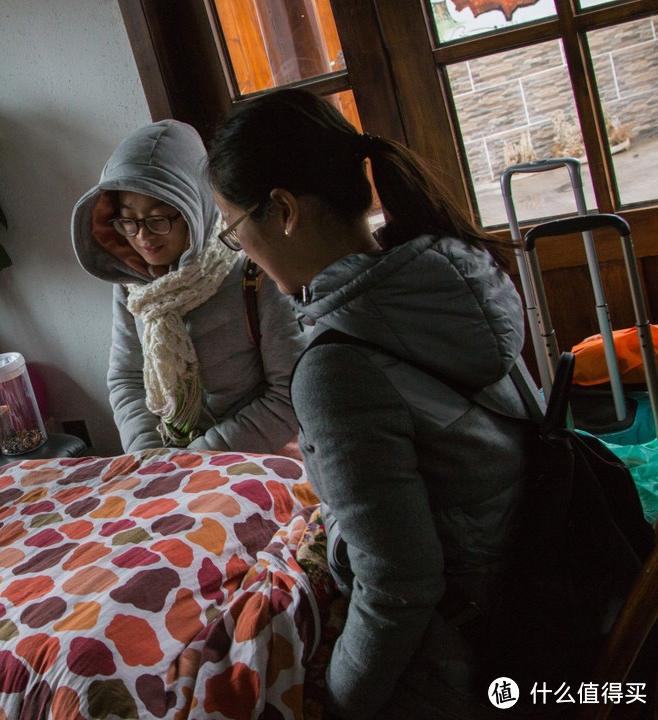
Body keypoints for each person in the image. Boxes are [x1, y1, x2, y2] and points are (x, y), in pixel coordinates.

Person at [207, 87, 543, 719]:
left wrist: (337, 703)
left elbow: (400, 587)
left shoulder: (339, 367)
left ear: (282, 210)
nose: (243, 256)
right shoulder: (446, 273)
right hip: (545, 585)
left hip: (484, 658)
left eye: (234, 231)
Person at [71, 119, 304, 453]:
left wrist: (198, 458)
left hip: (256, 459)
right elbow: (127, 379)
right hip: (171, 465)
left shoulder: (253, 273)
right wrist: (149, 454)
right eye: (128, 220)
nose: (142, 236)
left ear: (196, 205)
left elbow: (288, 396)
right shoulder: (132, 285)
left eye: (160, 217)